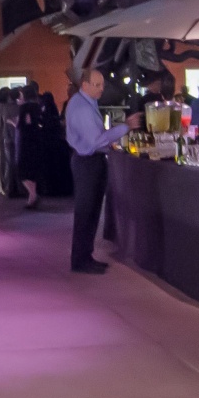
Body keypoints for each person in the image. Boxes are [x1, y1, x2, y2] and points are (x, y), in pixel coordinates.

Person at [65, 68, 141, 274]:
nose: (101, 89)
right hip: (87, 161)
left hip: (91, 160)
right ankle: (80, 260)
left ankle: (85, 255)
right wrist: (124, 127)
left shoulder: (86, 103)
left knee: (91, 211)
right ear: (85, 85)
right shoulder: (81, 107)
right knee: (86, 211)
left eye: (102, 85)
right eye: (97, 85)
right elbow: (94, 141)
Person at [0, 87, 19, 195]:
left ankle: (1, 184)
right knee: (1, 158)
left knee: (1, 158)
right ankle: (0, 185)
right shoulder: (0, 107)